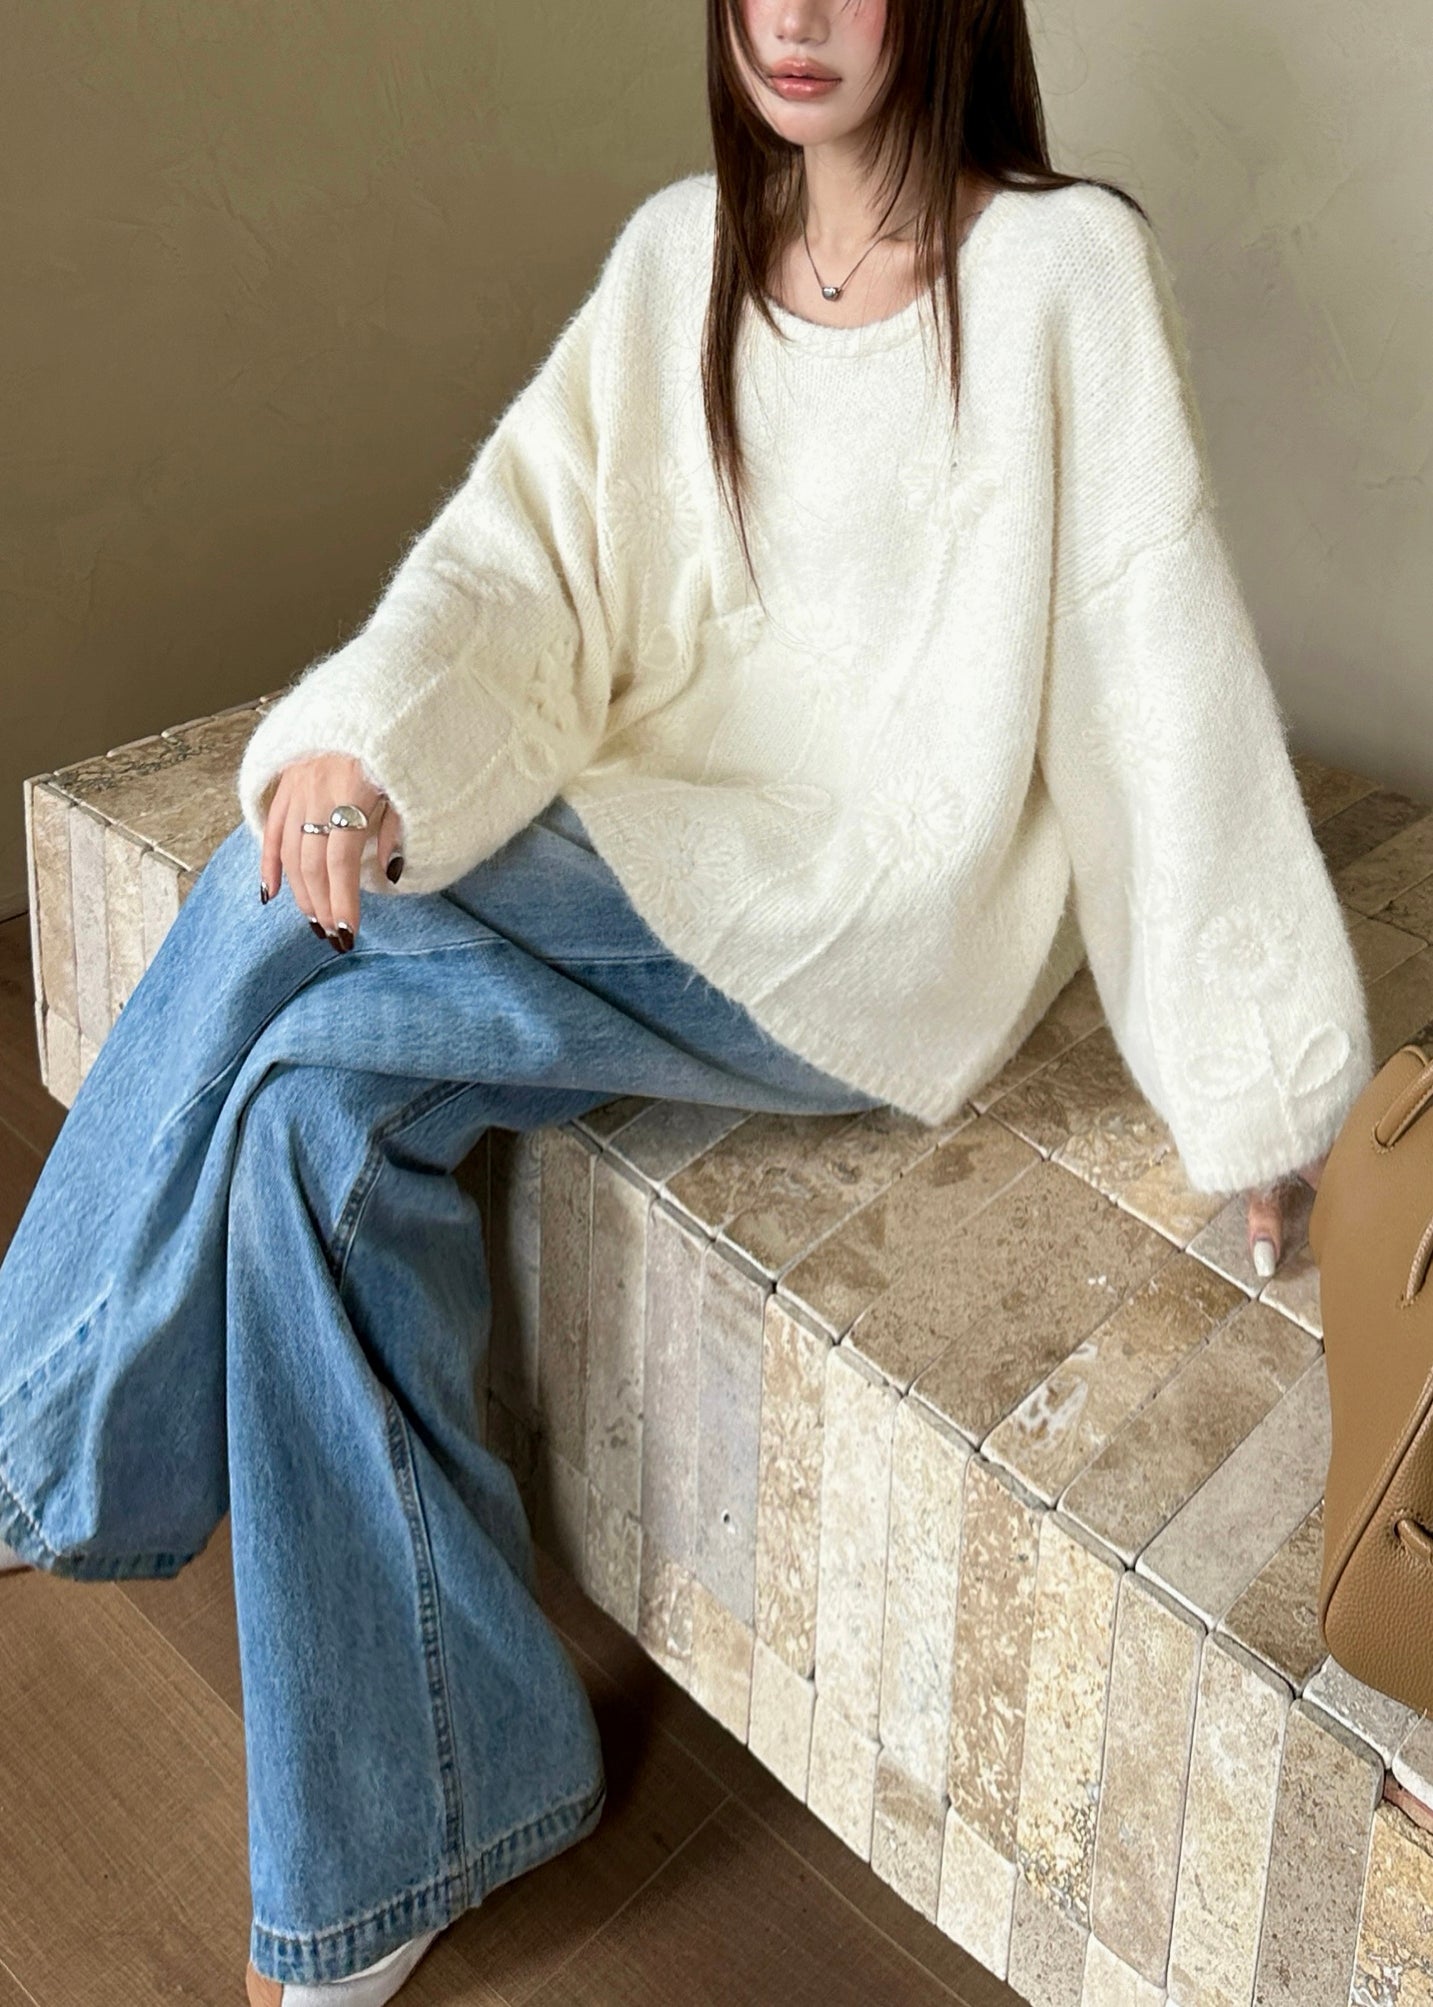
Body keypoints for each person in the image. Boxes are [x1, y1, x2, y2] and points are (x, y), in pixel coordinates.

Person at [0, 0, 1370, 2000]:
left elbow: (1154, 670)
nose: (795, 19)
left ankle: (30, 1438)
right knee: (306, 1117)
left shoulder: (1062, 272)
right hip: (680, 834)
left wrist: (1253, 1076)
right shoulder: (681, 260)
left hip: (879, 919)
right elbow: (520, 569)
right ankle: (410, 1829)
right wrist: (371, 736)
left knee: (261, 903)